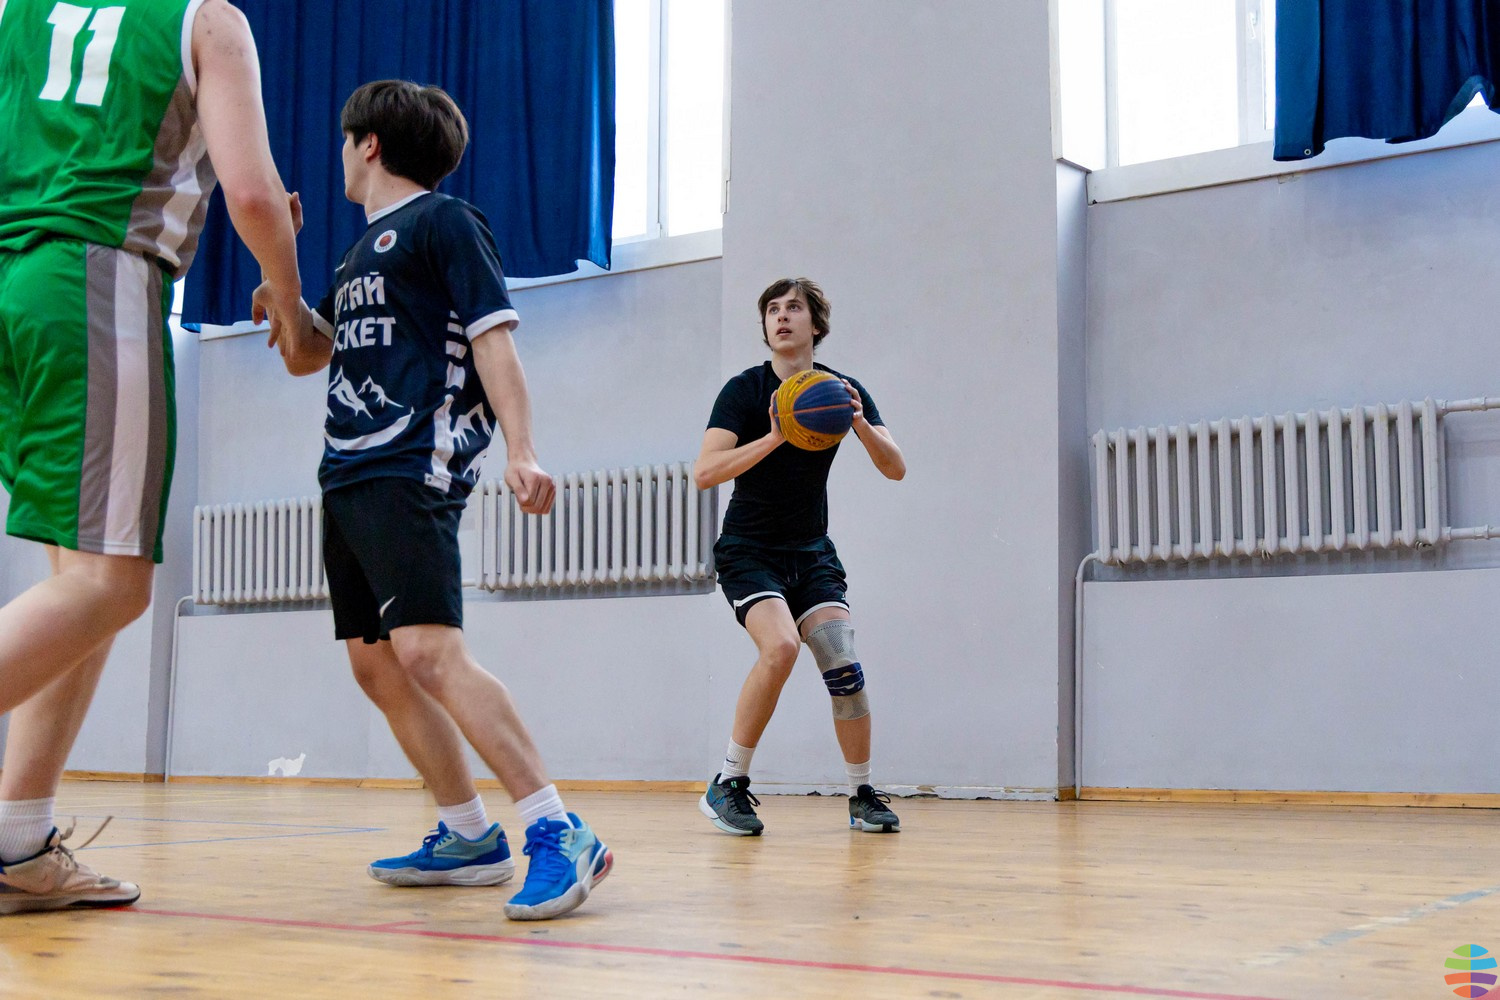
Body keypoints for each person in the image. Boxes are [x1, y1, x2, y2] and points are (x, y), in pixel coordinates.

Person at [256, 80, 611, 921]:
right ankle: (468, 834)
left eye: (346, 141)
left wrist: (522, 448)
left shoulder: (444, 222)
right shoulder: (356, 255)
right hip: (347, 470)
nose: (342, 155)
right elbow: (307, 354)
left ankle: (559, 829)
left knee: (428, 652)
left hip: (415, 459)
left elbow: (495, 340)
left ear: (370, 143)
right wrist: (281, 274)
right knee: (376, 662)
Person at [0, 0, 301, 913]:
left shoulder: (22, 16)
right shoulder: (207, 22)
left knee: (82, 581)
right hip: (96, 276)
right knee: (112, 586)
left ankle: (17, 845)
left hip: (19, 281)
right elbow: (254, 196)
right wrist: (289, 301)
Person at [694, 277, 907, 836]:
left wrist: (858, 423)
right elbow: (705, 472)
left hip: (811, 552)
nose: (782, 316)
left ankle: (861, 794)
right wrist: (775, 435)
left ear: (816, 324)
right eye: (772, 309)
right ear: (765, 326)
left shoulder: (841, 392)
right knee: (782, 647)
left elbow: (895, 467)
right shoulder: (745, 390)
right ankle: (728, 782)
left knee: (843, 661)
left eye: (794, 308)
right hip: (749, 550)